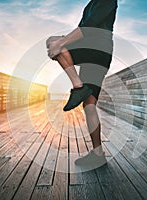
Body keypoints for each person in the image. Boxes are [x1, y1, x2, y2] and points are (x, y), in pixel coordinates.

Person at [46, 0, 118, 168]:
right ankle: (98, 154)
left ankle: (78, 86)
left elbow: (88, 27)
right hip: (99, 56)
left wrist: (60, 43)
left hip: (97, 50)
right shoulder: (92, 3)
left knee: (53, 41)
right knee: (89, 106)